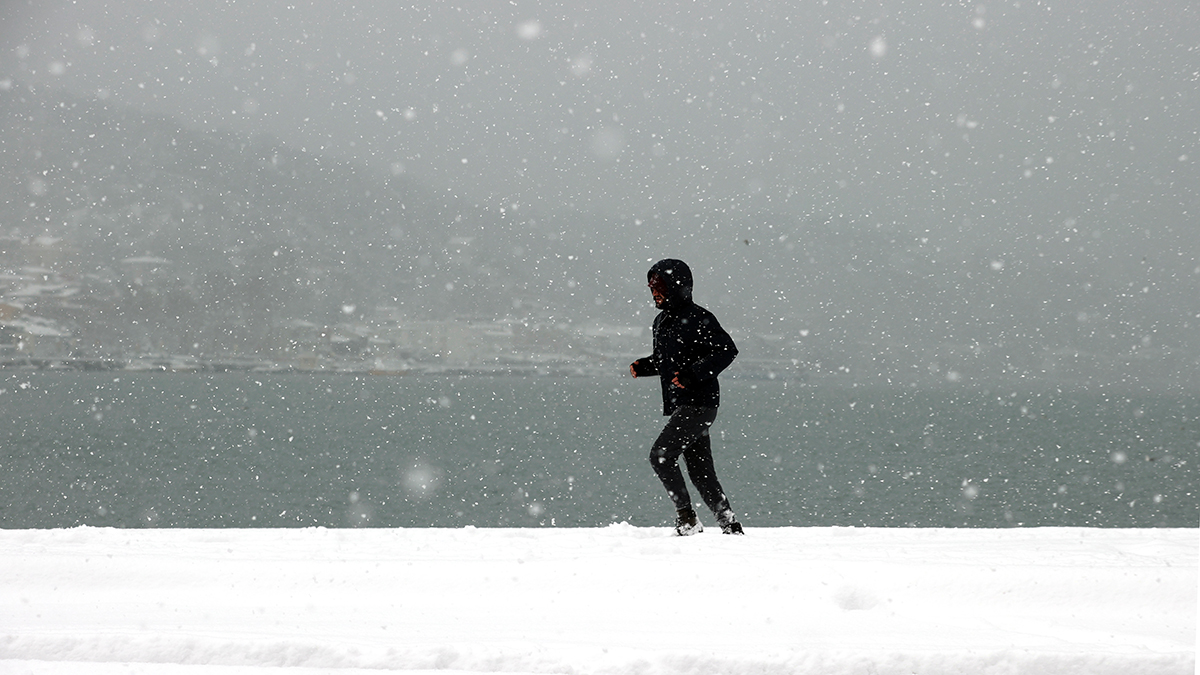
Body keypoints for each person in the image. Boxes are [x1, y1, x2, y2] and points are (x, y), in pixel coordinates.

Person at [629, 259, 744, 536]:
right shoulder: (661, 322)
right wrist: (644, 366)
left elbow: (726, 350)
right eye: (651, 287)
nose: (653, 292)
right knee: (700, 471)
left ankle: (687, 519)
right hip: (685, 405)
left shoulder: (699, 317)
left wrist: (693, 375)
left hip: (700, 404)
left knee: (661, 456)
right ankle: (730, 525)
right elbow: (664, 362)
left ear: (677, 286)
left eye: (659, 286)